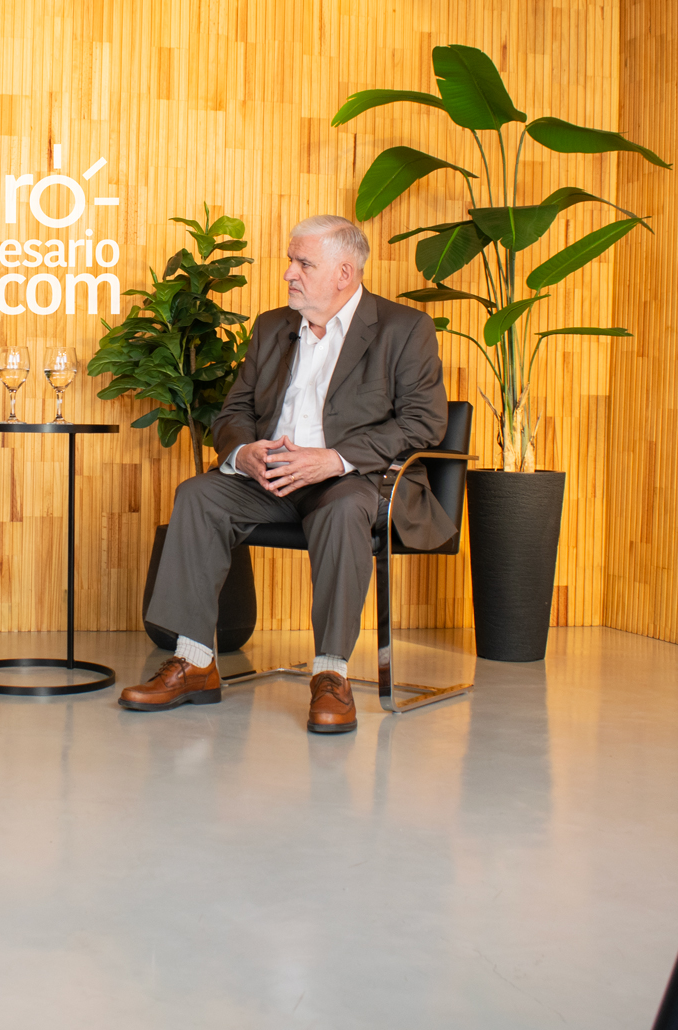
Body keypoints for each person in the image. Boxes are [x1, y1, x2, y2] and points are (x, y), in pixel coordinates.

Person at [123, 215, 450, 734]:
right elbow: (234, 411)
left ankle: (331, 674)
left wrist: (333, 459)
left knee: (343, 510)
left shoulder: (403, 329)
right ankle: (195, 662)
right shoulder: (274, 326)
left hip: (352, 481)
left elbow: (424, 422)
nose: (288, 274)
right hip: (270, 481)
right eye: (291, 261)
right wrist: (244, 453)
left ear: (344, 273)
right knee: (199, 494)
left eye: (303, 263)